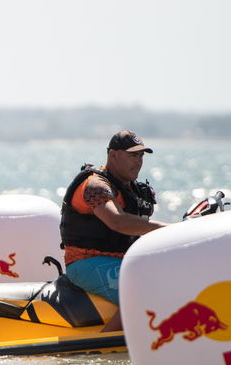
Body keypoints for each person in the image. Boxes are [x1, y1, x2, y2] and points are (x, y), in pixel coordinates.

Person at [60, 130, 167, 333]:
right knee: (147, 292)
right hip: (85, 263)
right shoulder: (95, 185)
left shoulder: (131, 187)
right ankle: (102, 345)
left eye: (141, 156)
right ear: (113, 156)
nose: (139, 162)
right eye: (132, 156)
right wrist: (169, 229)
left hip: (119, 261)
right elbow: (118, 222)